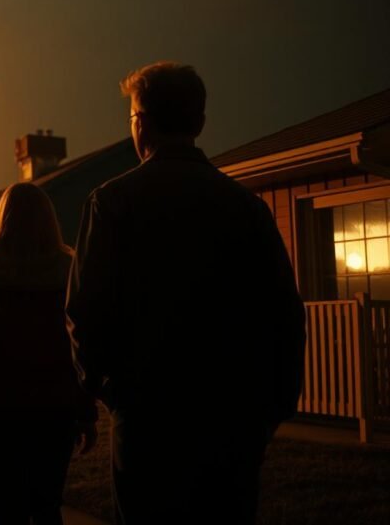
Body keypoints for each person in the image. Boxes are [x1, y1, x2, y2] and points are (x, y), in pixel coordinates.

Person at [66, 62, 306, 524]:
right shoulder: (246, 208)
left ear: (141, 123)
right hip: (232, 420)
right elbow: (285, 315)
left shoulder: (112, 202)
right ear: (198, 122)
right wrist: (273, 406)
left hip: (147, 418)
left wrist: (105, 390)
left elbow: (85, 311)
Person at [0, 182, 98, 525]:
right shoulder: (69, 270)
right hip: (54, 409)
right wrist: (85, 411)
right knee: (46, 507)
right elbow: (79, 345)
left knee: (4, 511)